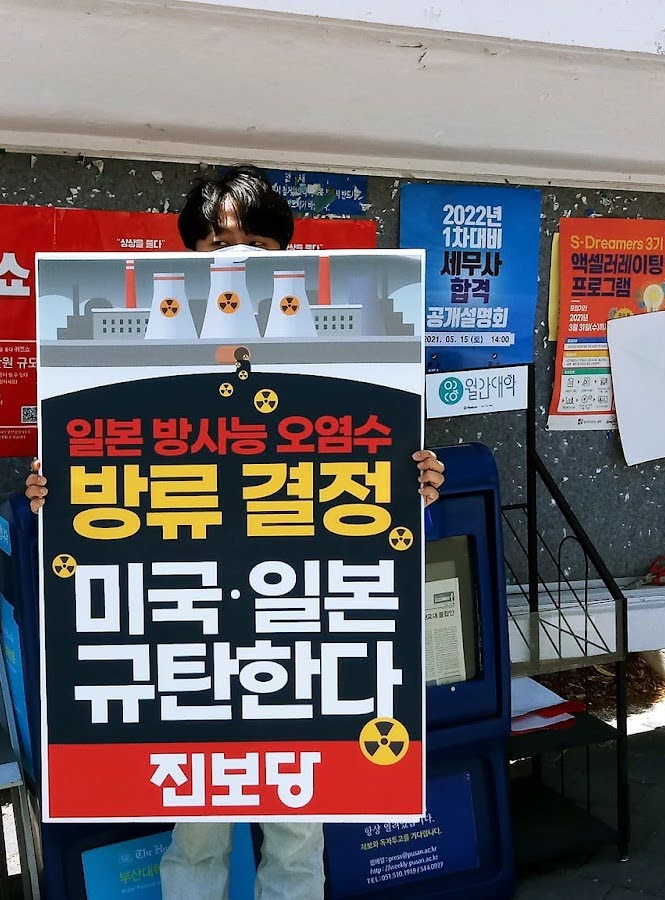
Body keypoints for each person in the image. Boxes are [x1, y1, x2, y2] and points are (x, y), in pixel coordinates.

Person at [26, 166, 444, 900]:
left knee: (296, 835)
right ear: (187, 255)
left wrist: (416, 489)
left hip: (296, 626)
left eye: (255, 240)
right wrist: (47, 497)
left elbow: (379, 507)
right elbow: (96, 492)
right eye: (217, 242)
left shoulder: (335, 350)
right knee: (195, 833)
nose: (237, 256)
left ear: (287, 249)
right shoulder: (136, 355)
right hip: (192, 628)